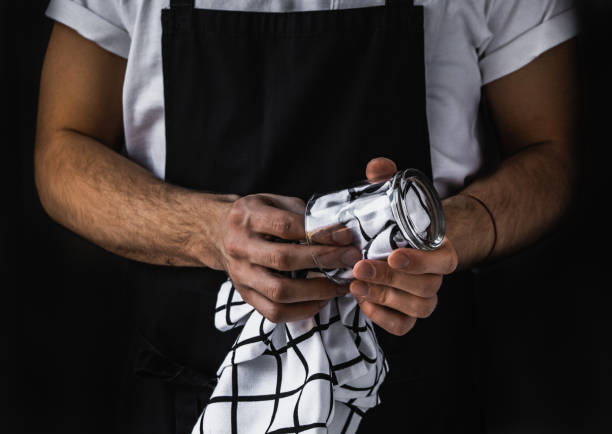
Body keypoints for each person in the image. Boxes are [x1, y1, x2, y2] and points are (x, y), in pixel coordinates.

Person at [35, 0, 579, 433]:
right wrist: (207, 231)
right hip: (187, 385)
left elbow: (552, 153)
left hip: (413, 387)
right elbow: (60, 152)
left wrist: (441, 232)